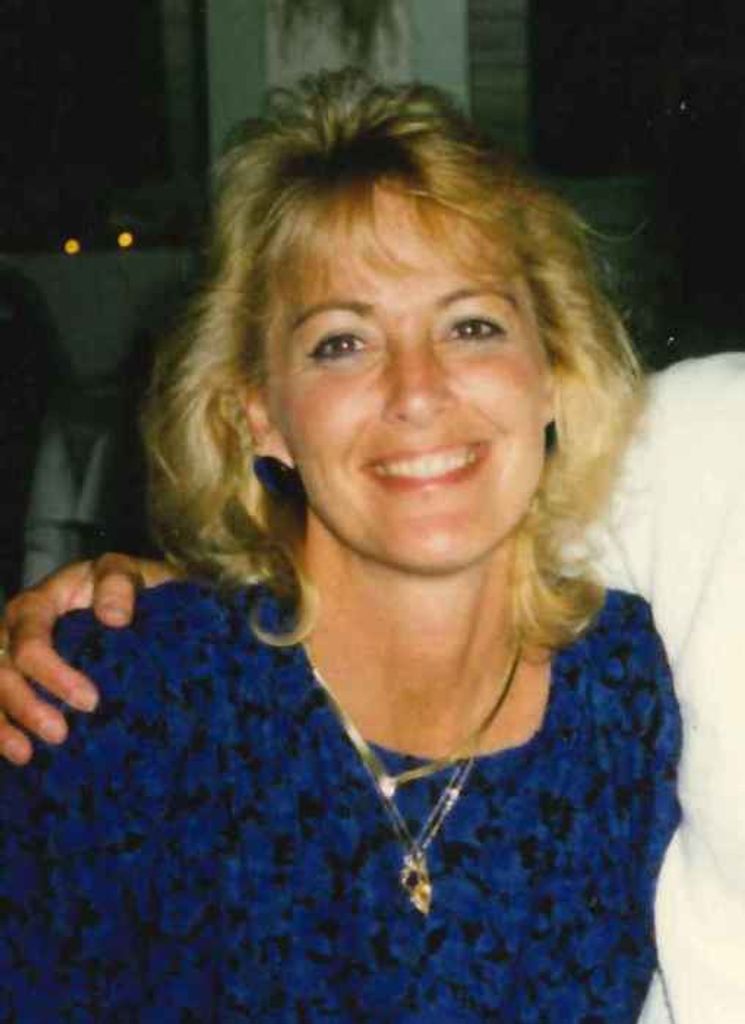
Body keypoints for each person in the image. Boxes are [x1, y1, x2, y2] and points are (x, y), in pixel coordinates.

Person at [0, 71, 680, 1021]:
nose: (416, 390)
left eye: (470, 326)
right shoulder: (115, 703)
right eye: (341, 343)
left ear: (553, 375)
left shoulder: (636, 698)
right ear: (260, 416)